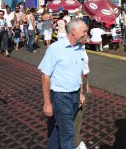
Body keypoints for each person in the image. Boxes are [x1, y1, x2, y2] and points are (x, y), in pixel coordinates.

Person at [38, 19, 87, 149]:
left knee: (62, 128)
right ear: (73, 32)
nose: (86, 34)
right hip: (61, 97)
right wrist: (47, 103)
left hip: (75, 95)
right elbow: (45, 76)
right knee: (68, 134)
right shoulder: (55, 48)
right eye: (84, 31)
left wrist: (81, 92)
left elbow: (79, 72)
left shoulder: (79, 48)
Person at [73, 47, 90, 149]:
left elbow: (85, 68)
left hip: (82, 81)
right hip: (76, 84)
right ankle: (75, 142)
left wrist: (87, 83)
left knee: (80, 114)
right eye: (84, 32)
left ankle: (75, 139)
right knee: (77, 114)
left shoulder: (81, 47)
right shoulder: (72, 48)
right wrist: (80, 91)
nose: (86, 35)